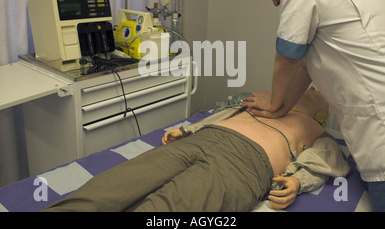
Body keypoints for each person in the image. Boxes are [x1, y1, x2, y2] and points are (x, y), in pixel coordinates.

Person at [245, 0, 385, 212]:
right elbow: (303, 64)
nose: (275, 2)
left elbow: (287, 59)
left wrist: (274, 105)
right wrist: (282, 107)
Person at [43, 88, 349, 212]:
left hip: (244, 166)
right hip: (201, 141)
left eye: (316, 93)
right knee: (107, 189)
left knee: (163, 213)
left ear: (323, 110)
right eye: (308, 87)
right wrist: (188, 130)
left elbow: (328, 165)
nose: (310, 91)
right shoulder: (265, 102)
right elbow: (220, 116)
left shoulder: (318, 131)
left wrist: (298, 181)